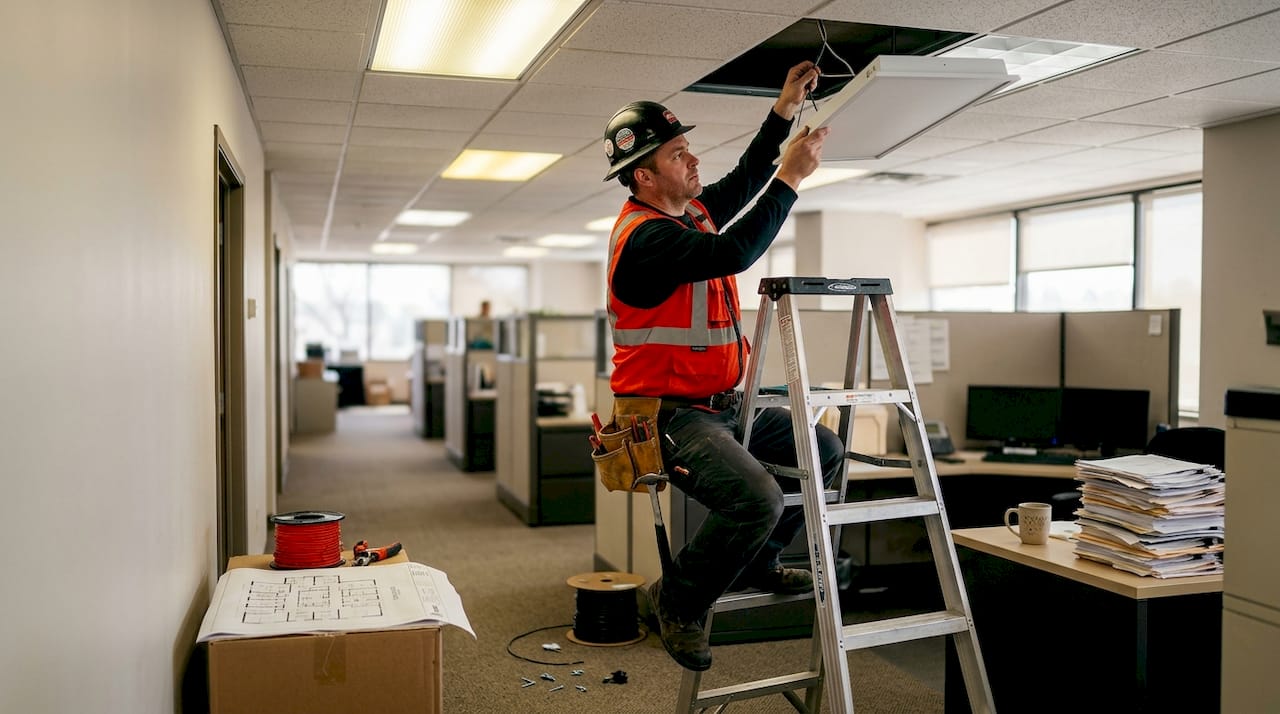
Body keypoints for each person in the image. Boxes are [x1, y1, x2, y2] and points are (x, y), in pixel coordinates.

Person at [601, 61, 845, 672]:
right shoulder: (646, 240)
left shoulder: (690, 216)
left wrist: (783, 111)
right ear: (644, 175)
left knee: (822, 453)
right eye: (680, 155)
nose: (694, 161)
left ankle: (761, 559)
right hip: (668, 416)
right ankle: (677, 603)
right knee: (757, 498)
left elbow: (741, 179)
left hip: (720, 403)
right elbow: (736, 253)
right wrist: (791, 178)